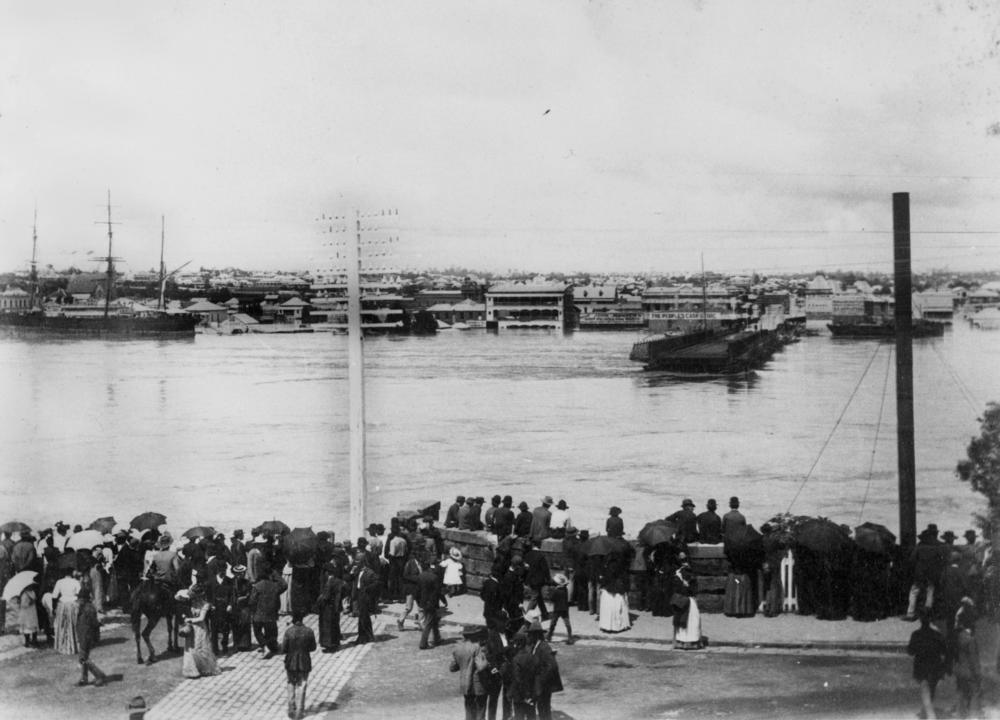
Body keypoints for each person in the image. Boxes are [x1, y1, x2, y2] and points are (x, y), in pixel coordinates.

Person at [907, 609, 948, 720]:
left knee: (925, 690)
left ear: (920, 620)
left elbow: (910, 651)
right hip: (935, 666)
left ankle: (930, 715)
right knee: (931, 690)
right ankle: (929, 714)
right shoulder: (937, 635)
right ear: (930, 620)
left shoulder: (916, 635)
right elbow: (944, 651)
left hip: (921, 666)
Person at [904, 525, 945, 621]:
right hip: (932, 573)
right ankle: (928, 612)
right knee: (930, 591)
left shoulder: (919, 547)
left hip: (919, 573)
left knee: (914, 591)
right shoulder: (936, 547)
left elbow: (912, 560)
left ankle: (910, 613)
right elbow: (941, 561)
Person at [282, 610, 317, 720]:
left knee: (291, 682)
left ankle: (291, 708)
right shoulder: (309, 631)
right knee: (302, 684)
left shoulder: (288, 632)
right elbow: (313, 648)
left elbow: (284, 649)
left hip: (291, 662)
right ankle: (300, 710)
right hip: (304, 661)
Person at [450, 625, 490, 720]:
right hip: (479, 685)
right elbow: (481, 666)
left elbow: (452, 668)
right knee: (480, 711)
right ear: (475, 635)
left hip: (465, 685)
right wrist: (487, 662)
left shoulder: (457, 649)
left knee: (469, 711)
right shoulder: (477, 648)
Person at [181, 581, 220, 678]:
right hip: (192, 628)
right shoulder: (192, 602)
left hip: (200, 628)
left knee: (200, 647)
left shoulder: (205, 604)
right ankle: (192, 670)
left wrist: (190, 619)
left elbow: (201, 618)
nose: (194, 598)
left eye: (195, 596)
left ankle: (204, 668)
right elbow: (178, 597)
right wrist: (184, 616)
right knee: (190, 648)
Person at [527, 619, 562, 720]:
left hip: (544, 686)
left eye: (531, 634)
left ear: (536, 635)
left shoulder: (544, 647)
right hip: (540, 685)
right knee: (542, 709)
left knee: (544, 710)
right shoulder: (536, 646)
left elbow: (552, 666)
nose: (529, 637)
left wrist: (541, 679)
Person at [952, 601, 982, 719]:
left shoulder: (958, 637)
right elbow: (974, 661)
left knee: (961, 695)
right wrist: (978, 674)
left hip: (960, 671)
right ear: (972, 625)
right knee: (975, 693)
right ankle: (974, 717)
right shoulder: (971, 640)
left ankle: (960, 716)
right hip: (970, 672)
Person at [250, 567, 287, 657]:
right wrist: (275, 574)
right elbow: (284, 585)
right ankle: (272, 646)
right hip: (271, 614)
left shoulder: (257, 586)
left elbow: (252, 601)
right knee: (272, 631)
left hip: (259, 614)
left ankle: (264, 645)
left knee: (257, 631)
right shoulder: (275, 586)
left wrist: (253, 611)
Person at [75, 588, 107, 687]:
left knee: (83, 658)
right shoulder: (84, 607)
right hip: (83, 635)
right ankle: (84, 678)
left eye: (80, 599)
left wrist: (99, 624)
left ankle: (99, 675)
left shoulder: (88, 608)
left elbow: (93, 623)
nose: (78, 600)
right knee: (84, 657)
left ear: (85, 599)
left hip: (87, 636)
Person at [316, 564, 347, 652]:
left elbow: (325, 596)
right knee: (335, 625)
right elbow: (346, 589)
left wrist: (318, 602)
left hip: (327, 608)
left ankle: (329, 645)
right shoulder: (339, 581)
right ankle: (336, 643)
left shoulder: (330, 581)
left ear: (327, 572)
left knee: (327, 627)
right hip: (336, 607)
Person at [671, 563, 703, 649]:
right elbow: (694, 591)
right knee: (692, 621)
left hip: (681, 601)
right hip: (689, 601)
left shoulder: (676, 577)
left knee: (682, 621)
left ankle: (681, 641)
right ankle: (692, 642)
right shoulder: (691, 577)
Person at [51, 568, 82, 654]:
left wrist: (54, 608)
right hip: (73, 604)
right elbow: (80, 593)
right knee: (73, 625)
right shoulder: (75, 582)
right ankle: (74, 645)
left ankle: (63, 645)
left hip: (63, 604)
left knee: (62, 625)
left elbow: (54, 596)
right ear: (71, 573)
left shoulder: (59, 582)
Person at [508, 630, 537, 720]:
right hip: (531, 695)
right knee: (531, 717)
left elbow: (517, 680)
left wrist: (511, 693)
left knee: (519, 717)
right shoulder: (532, 657)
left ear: (518, 644)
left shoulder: (516, 659)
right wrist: (530, 695)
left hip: (520, 696)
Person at [418, 559, 446, 650]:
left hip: (423, 602)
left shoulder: (420, 576)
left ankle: (437, 638)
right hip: (432, 603)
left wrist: (419, 602)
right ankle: (423, 643)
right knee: (429, 623)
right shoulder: (434, 577)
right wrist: (444, 600)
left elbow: (417, 591)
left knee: (434, 621)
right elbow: (438, 592)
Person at [524, 540, 551, 621]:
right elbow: (545, 569)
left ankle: (545, 613)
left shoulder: (528, 554)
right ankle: (527, 616)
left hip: (529, 578)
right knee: (535, 597)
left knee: (539, 597)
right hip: (538, 580)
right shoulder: (541, 556)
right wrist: (548, 579)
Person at [229, 564, 254, 652]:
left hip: (244, 606)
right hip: (235, 606)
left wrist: (244, 598)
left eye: (242, 573)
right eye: (238, 573)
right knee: (235, 625)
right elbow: (230, 594)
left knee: (245, 624)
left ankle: (246, 644)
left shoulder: (247, 583)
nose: (240, 575)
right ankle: (236, 644)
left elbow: (250, 594)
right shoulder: (232, 583)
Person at [399, 550, 424, 631]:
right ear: (416, 556)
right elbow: (405, 576)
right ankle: (400, 621)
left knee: (421, 608)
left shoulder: (423, 564)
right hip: (410, 588)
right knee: (409, 608)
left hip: (419, 589)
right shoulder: (410, 563)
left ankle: (421, 623)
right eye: (419, 556)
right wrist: (417, 579)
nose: (421, 558)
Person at [546, 573, 573, 645]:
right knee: (567, 623)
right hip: (565, 608)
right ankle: (570, 637)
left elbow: (552, 598)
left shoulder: (556, 591)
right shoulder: (565, 590)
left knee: (553, 623)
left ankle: (549, 636)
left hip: (557, 609)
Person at [18, 581, 41, 648]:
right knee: (27, 627)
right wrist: (29, 603)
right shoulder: (25, 594)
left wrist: (32, 602)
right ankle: (27, 642)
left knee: (33, 627)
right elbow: (23, 605)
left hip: (32, 612)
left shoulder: (31, 593)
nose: (31, 587)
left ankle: (34, 641)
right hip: (27, 612)